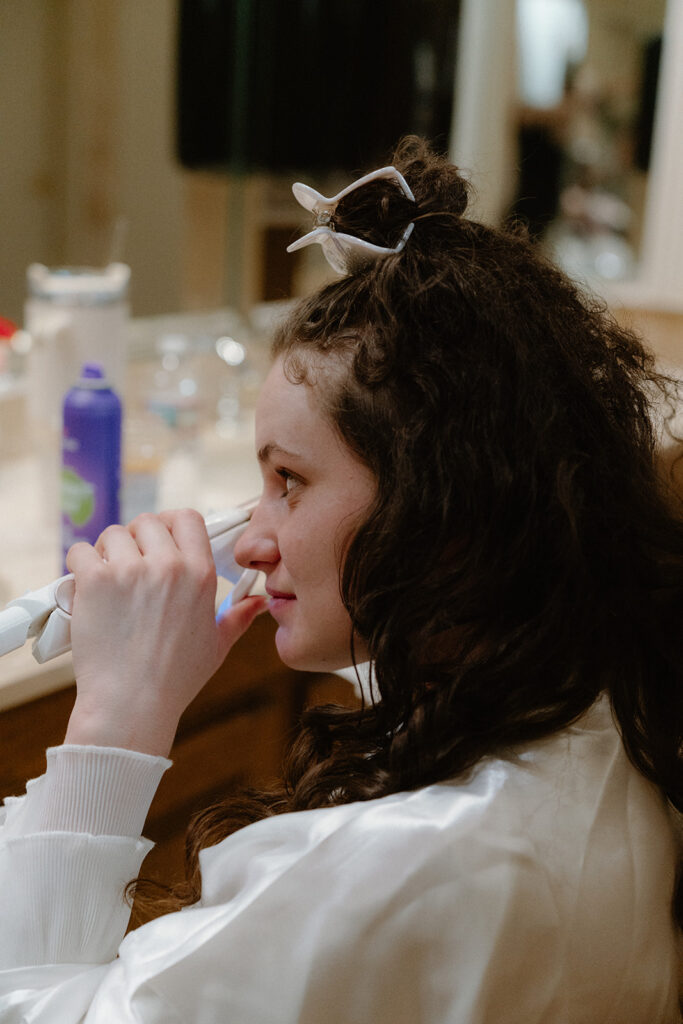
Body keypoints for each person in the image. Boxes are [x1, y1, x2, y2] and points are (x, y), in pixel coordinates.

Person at [1, 136, 682, 1022]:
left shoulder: (407, 867)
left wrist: (114, 727)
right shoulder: (595, 703)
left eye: (288, 481)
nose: (250, 541)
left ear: (443, 506)